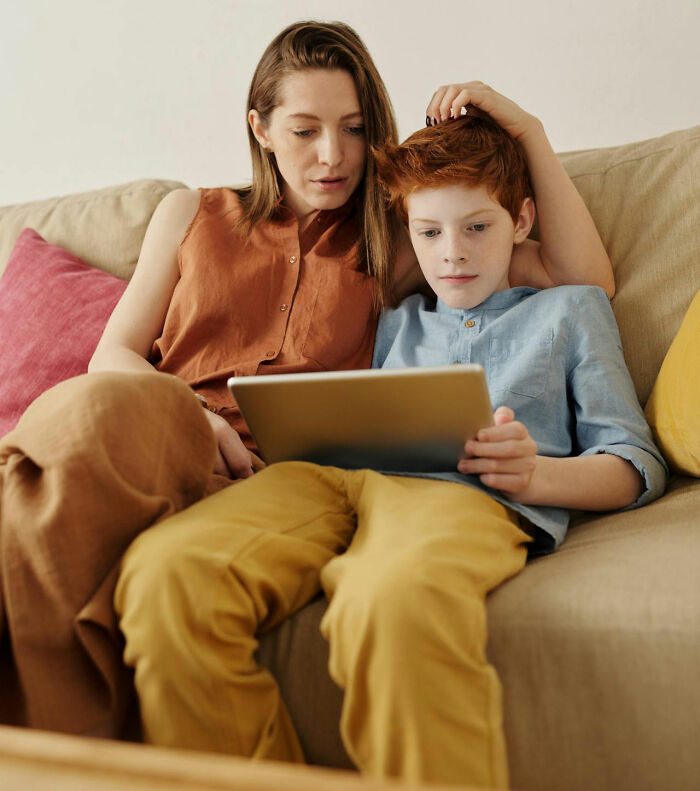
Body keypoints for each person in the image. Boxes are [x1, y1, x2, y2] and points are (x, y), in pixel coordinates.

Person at [0, 21, 613, 739]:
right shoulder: (190, 213)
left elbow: (581, 279)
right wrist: (191, 416)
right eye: (304, 130)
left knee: (50, 513)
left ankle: (49, 760)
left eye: (354, 130)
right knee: (87, 418)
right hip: (159, 427)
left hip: (271, 479)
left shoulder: (400, 237)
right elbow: (115, 356)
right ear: (259, 128)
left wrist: (529, 130)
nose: (332, 156)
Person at [114, 112, 667, 787]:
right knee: (163, 571)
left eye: (477, 228)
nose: (452, 254)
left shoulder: (569, 309)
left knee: (389, 597)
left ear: (521, 221)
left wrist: (537, 475)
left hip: (463, 492)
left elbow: (634, 463)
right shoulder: (397, 313)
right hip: (329, 476)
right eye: (429, 233)